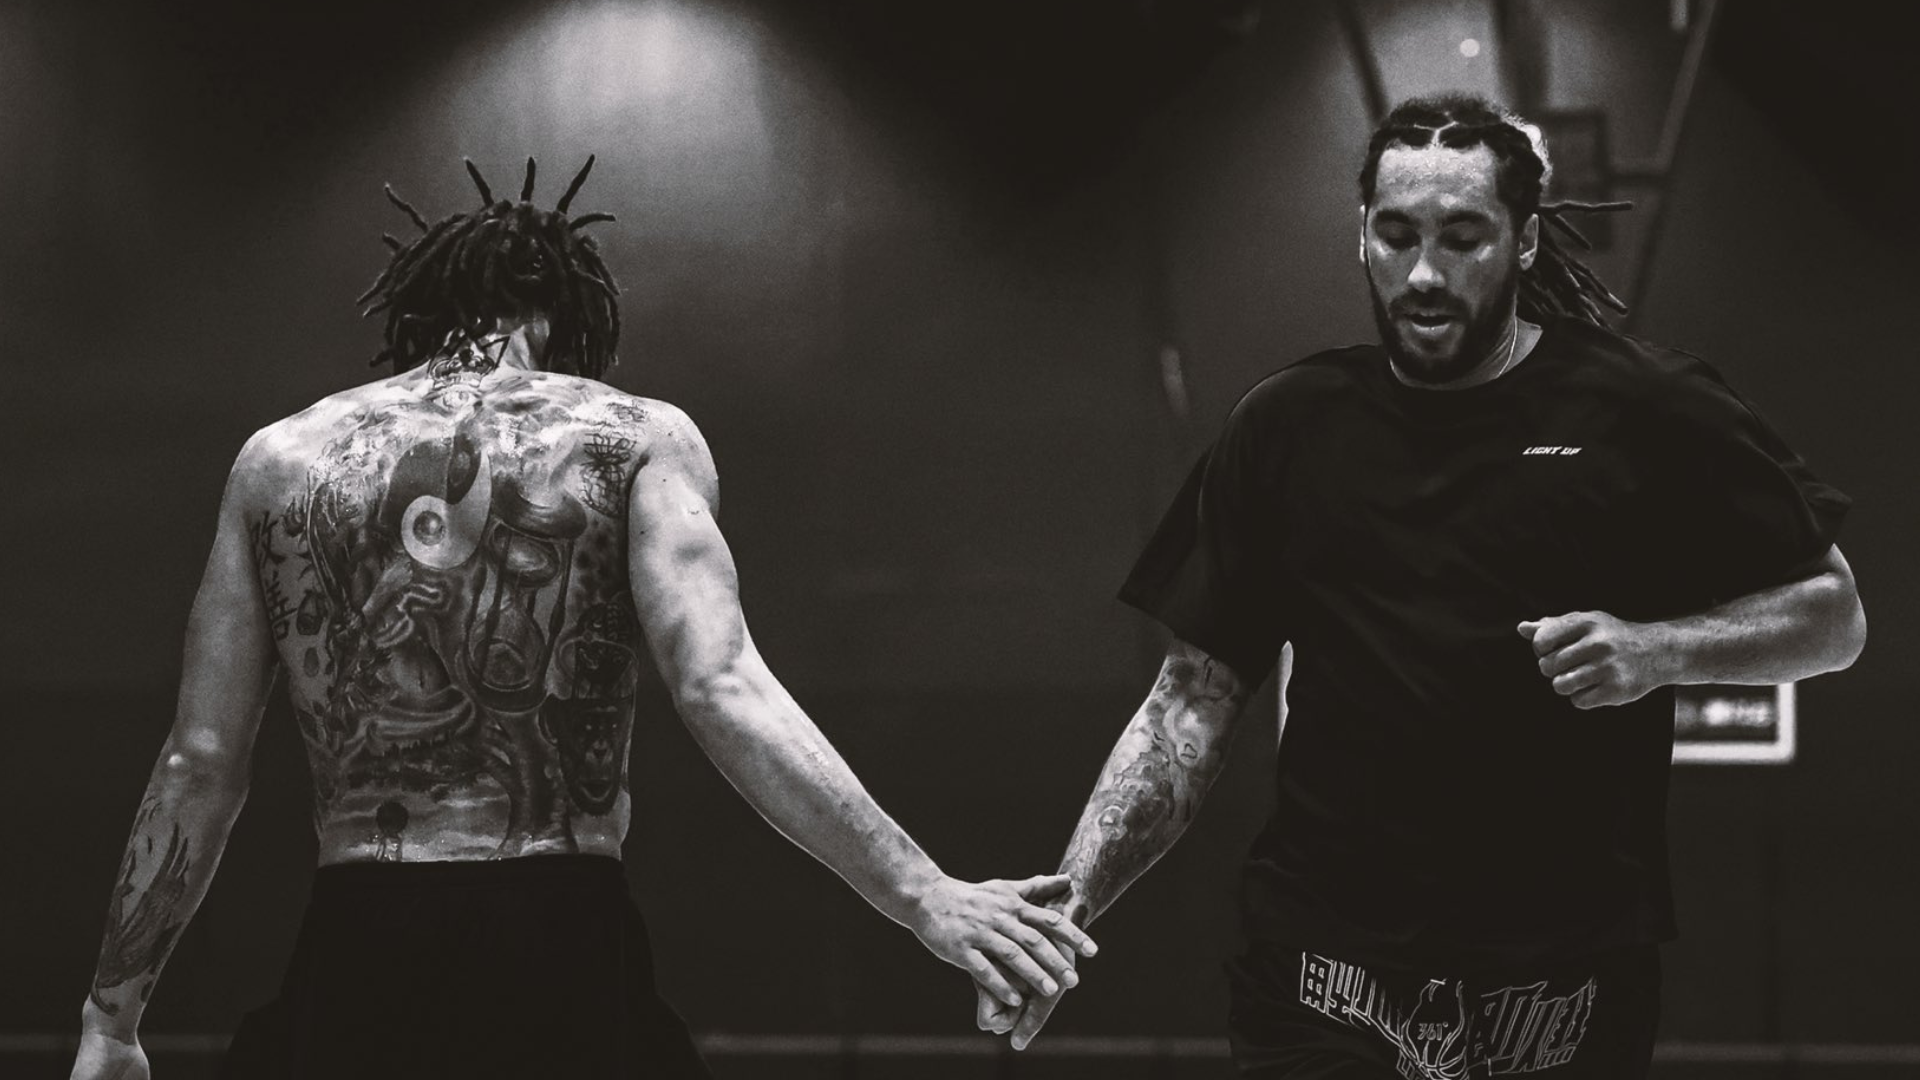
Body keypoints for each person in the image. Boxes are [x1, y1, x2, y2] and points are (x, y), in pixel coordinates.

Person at [69, 156, 1095, 1080]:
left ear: (421, 313)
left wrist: (110, 1021)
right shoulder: (636, 438)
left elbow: (200, 760)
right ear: (562, 316)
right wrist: (924, 893)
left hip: (362, 932)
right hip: (558, 928)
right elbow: (720, 684)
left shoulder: (279, 462)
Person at [976, 94, 1865, 1078]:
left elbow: (1833, 615)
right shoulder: (1286, 426)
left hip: (1564, 983)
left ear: (1525, 241)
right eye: (1397, 236)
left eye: (1463, 238)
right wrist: (1069, 903)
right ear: (1362, 235)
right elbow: (1191, 700)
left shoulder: (1643, 406)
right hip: (1320, 975)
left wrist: (1659, 652)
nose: (1426, 274)